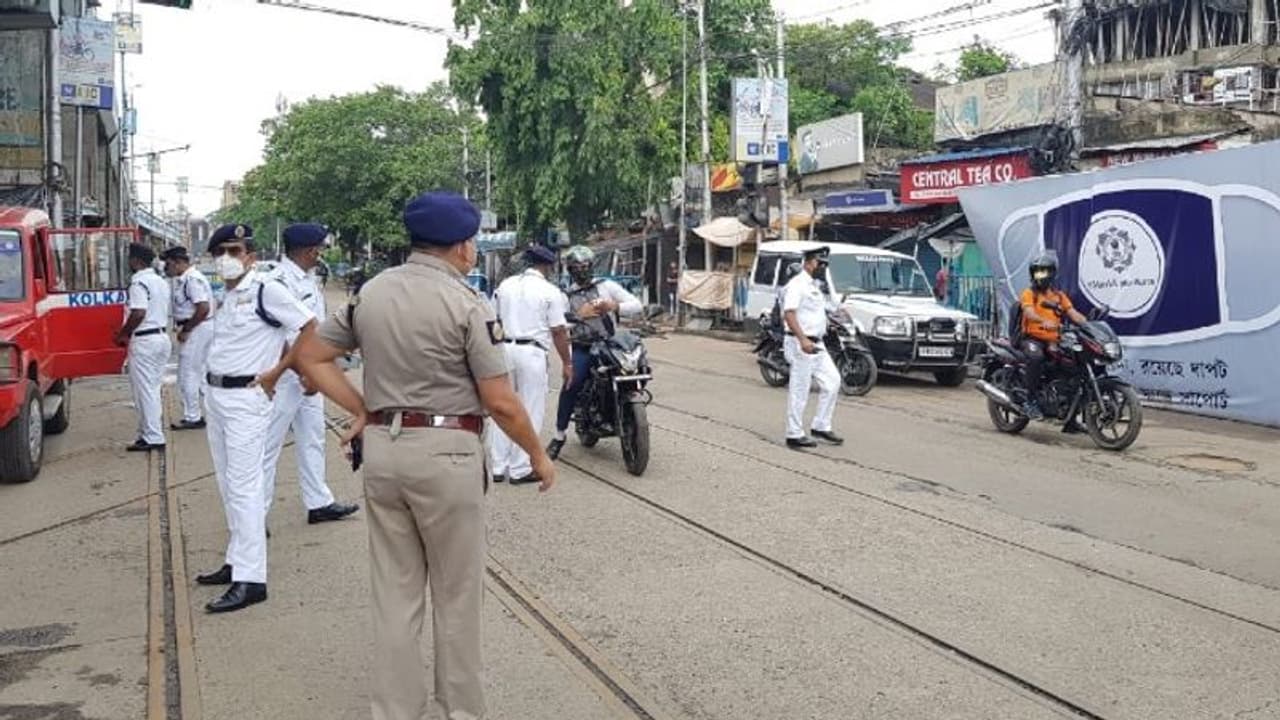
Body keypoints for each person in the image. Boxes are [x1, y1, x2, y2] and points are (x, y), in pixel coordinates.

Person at [260, 190, 555, 720]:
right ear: (463, 246)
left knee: (395, 595)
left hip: (385, 455)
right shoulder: (467, 303)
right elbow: (501, 401)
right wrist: (538, 454)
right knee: (457, 596)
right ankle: (460, 711)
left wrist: (366, 408)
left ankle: (396, 711)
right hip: (448, 458)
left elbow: (310, 357)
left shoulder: (371, 293)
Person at [194, 223, 316, 614]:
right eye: (220, 252)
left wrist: (280, 371)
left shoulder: (267, 289)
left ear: (251, 256)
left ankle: (252, 579)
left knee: (246, 488)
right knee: (228, 484)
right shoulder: (227, 297)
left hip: (247, 398)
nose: (226, 259)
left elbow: (309, 327)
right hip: (216, 396)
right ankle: (236, 560)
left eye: (234, 250)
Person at [261, 223, 359, 526]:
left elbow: (317, 330)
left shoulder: (308, 278)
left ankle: (319, 502)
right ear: (309, 250)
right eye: (320, 248)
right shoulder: (277, 281)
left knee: (313, 437)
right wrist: (302, 370)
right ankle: (255, 516)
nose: (322, 254)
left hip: (310, 373)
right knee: (268, 446)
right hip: (286, 376)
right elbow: (278, 334)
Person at [546, 244, 642, 460]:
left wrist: (614, 306)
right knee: (572, 383)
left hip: (610, 345)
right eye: (577, 267)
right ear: (570, 270)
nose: (582, 270)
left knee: (636, 369)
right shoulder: (564, 295)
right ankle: (559, 435)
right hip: (583, 347)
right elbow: (558, 324)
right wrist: (578, 316)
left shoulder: (606, 286)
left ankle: (624, 412)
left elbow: (637, 305)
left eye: (585, 265)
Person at [489, 244, 572, 485]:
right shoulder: (550, 291)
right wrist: (567, 362)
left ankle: (497, 465)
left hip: (505, 348)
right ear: (547, 266)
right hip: (532, 352)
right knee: (531, 409)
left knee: (503, 407)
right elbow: (558, 331)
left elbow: (494, 320)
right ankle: (521, 467)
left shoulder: (505, 285)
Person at [781, 246, 843, 450]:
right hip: (801, 343)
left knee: (833, 382)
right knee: (800, 389)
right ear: (808, 262)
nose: (822, 267)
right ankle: (794, 433)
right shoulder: (797, 285)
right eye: (819, 262)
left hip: (818, 343)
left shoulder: (816, 286)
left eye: (825, 264)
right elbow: (789, 314)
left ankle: (821, 426)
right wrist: (802, 340)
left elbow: (827, 310)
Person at [116, 243, 172, 452]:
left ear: (136, 261)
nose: (128, 262)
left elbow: (138, 312)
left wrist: (123, 333)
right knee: (151, 388)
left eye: (129, 258)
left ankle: (153, 437)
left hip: (145, 340)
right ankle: (148, 433)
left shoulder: (138, 283)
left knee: (145, 390)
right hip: (160, 337)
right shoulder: (160, 281)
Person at [1018, 252, 1087, 420]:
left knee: (1072, 365)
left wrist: (1088, 324)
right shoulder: (1029, 294)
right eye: (1037, 271)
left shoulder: (1059, 296)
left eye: (1045, 271)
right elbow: (1029, 312)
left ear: (1052, 273)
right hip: (1032, 339)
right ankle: (1030, 401)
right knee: (1035, 358)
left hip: (1054, 340)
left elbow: (1073, 313)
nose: (1041, 275)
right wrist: (1043, 320)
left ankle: (1069, 414)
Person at [162, 246, 214, 431]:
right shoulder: (185, 279)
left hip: (197, 328)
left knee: (188, 374)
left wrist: (187, 329)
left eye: (168, 264)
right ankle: (206, 413)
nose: (166, 268)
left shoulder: (191, 280)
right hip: (200, 327)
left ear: (178, 262)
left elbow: (203, 308)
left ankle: (193, 416)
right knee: (198, 374)